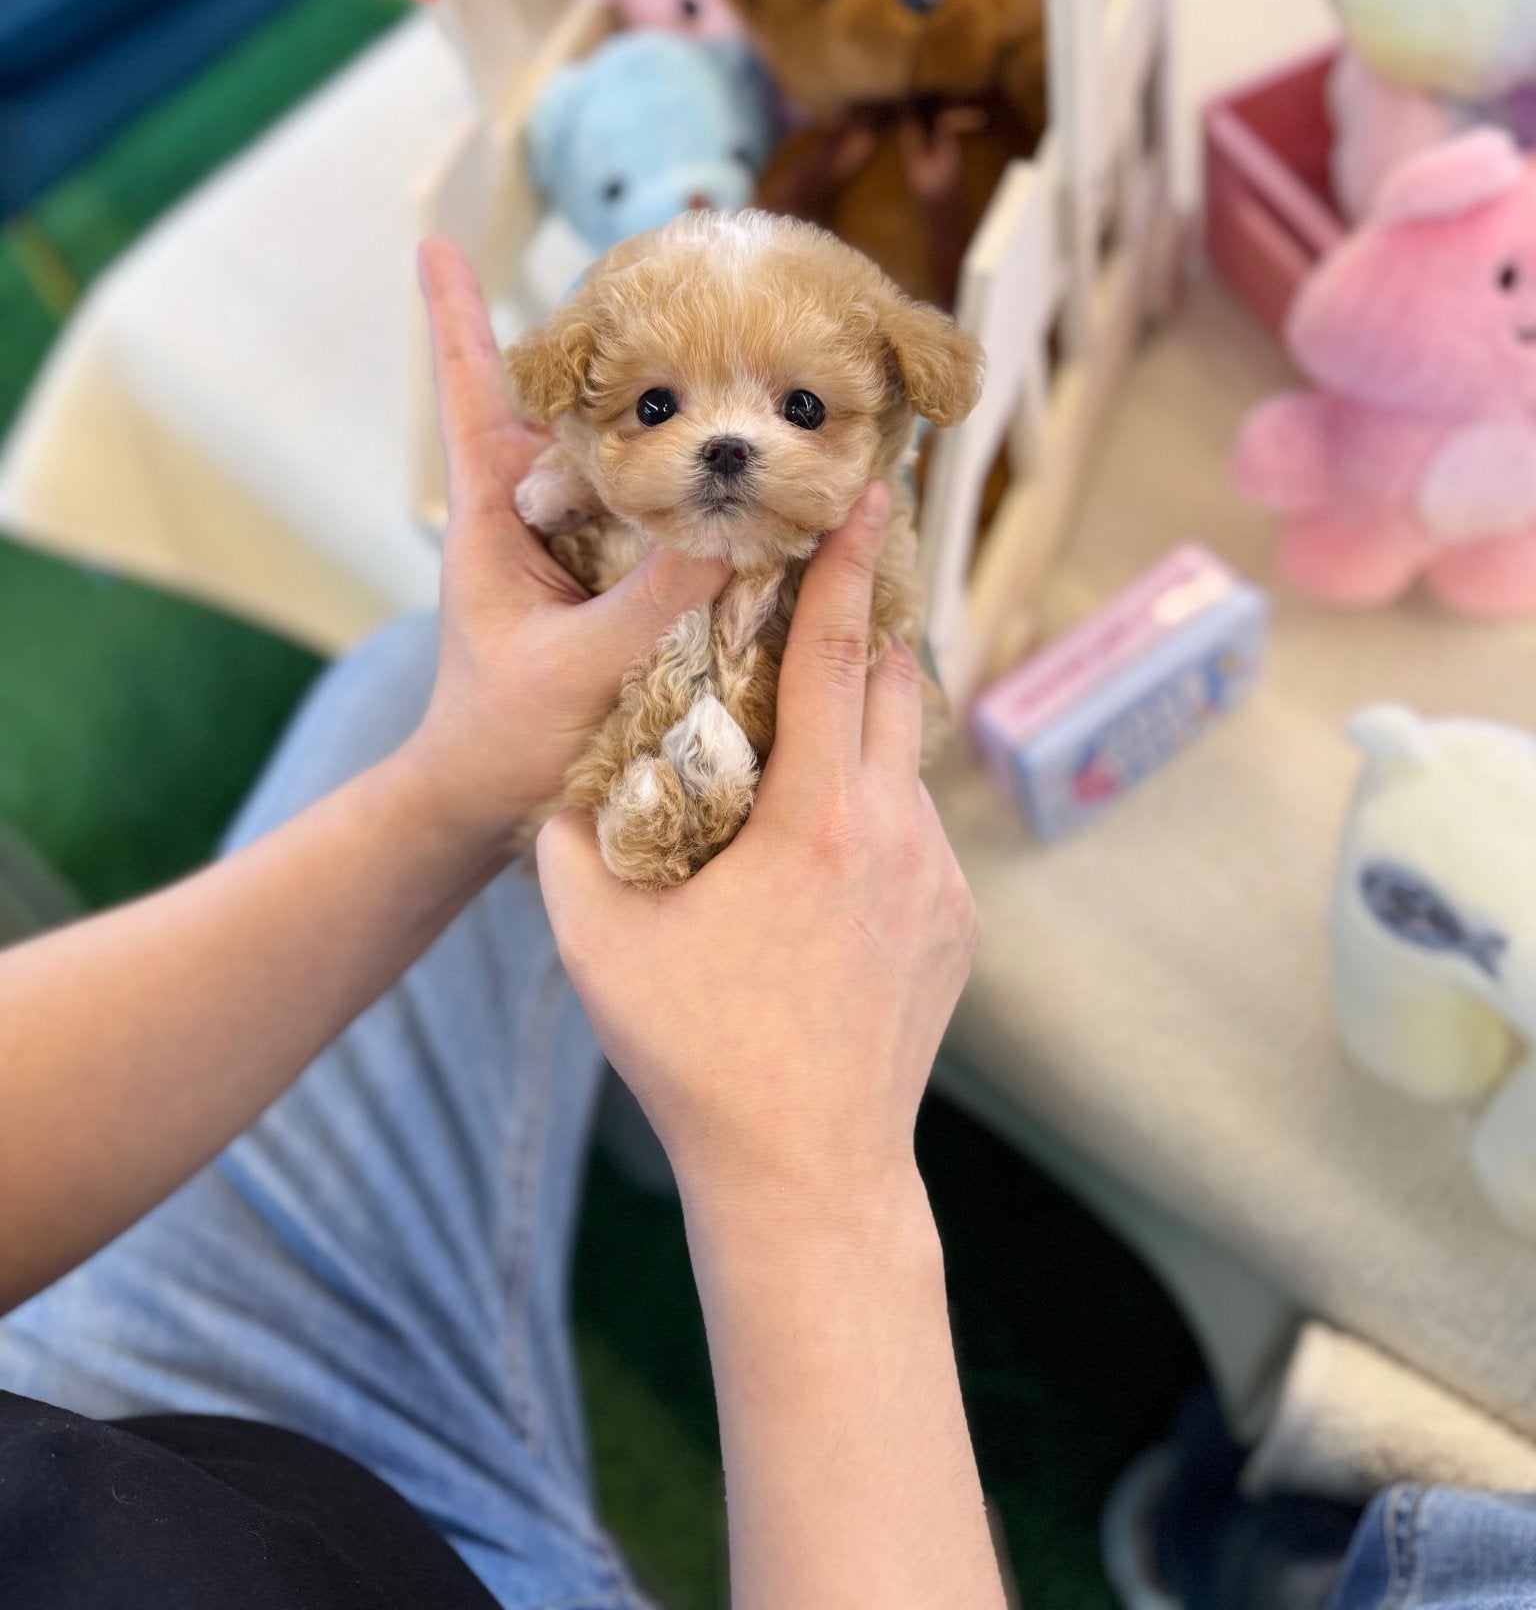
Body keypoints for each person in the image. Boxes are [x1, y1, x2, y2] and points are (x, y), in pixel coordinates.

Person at [0, 237, 1002, 1610]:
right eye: (658, 408)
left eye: (799, 409)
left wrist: (449, 793)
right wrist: (818, 1188)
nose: (724, 447)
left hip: (100, 1428)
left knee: (414, 676)